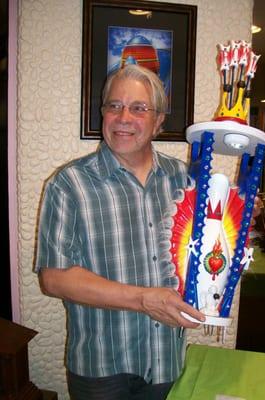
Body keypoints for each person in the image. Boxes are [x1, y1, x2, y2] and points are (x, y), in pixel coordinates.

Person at [35, 64, 207, 400]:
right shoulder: (68, 184)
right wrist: (144, 300)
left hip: (166, 360)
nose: (123, 117)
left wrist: (238, 214)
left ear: (158, 122)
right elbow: (53, 278)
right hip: (100, 368)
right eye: (114, 105)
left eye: (139, 108)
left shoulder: (184, 179)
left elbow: (203, 246)